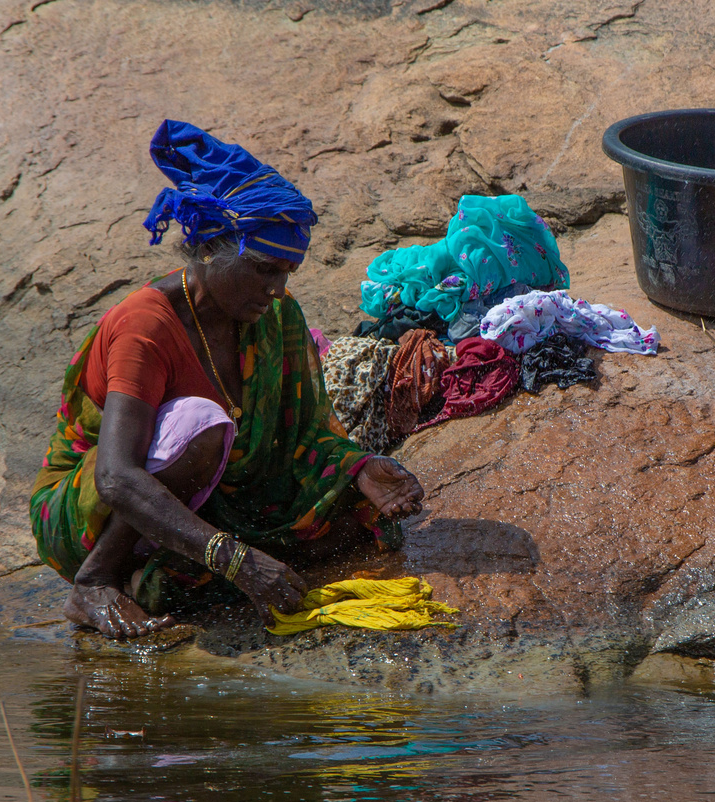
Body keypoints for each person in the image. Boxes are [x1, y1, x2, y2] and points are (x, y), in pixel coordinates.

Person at [30, 120, 424, 639]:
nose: (275, 289)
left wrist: (358, 469)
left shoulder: (276, 317)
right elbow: (116, 477)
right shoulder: (146, 325)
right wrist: (236, 560)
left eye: (287, 273)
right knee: (200, 421)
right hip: (89, 511)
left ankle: (187, 553)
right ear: (212, 245)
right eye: (263, 269)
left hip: (206, 493)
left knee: (349, 521)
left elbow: (306, 431)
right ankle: (97, 581)